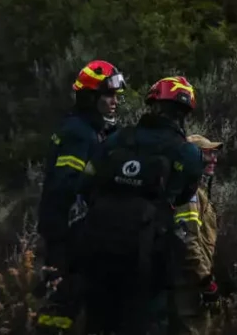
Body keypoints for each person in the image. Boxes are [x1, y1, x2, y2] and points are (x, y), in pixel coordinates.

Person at [77, 75, 206, 335]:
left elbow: (86, 182)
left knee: (96, 319)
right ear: (183, 114)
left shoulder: (117, 139)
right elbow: (183, 195)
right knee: (146, 321)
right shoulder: (186, 152)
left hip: (96, 245)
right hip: (147, 255)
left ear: (153, 106)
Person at [35, 59, 126, 334]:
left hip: (77, 233)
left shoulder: (90, 129)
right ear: (91, 97)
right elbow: (66, 185)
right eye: (108, 95)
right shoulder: (78, 133)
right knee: (60, 304)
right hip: (67, 234)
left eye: (116, 96)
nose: (114, 102)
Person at [169, 134, 223, 334]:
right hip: (189, 289)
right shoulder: (189, 194)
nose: (213, 159)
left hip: (194, 284)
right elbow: (188, 241)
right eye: (208, 153)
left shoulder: (197, 192)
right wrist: (206, 282)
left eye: (214, 153)